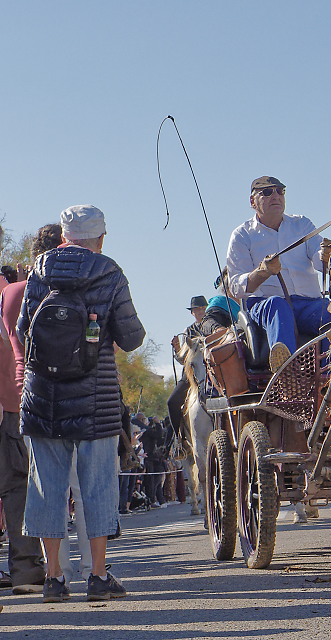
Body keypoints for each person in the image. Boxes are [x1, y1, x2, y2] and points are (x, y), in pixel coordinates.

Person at [19, 205, 145, 601]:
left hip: (43, 398)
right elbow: (131, 337)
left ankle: (54, 578)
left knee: (46, 488)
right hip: (96, 401)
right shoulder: (109, 273)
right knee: (97, 488)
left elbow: (24, 330)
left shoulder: (38, 272)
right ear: (101, 239)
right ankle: (99, 575)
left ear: (63, 237)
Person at [0, 224, 62, 595]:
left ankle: (26, 571)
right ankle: (25, 570)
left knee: (18, 488)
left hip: (13, 400)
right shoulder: (16, 292)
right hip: (11, 404)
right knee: (16, 488)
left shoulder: (10, 293)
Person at [226, 176, 331, 371]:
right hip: (265, 305)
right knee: (278, 305)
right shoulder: (242, 235)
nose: (275, 196)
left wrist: (326, 256)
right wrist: (262, 272)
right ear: (253, 201)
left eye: (280, 191)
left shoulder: (302, 225)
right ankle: (286, 374)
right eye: (267, 192)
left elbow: (320, 262)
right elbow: (235, 286)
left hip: (309, 304)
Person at [166, 296, 208, 440]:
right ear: (192, 313)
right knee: (172, 402)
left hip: (213, 371)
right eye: (197, 309)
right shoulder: (187, 331)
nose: (200, 311)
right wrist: (178, 349)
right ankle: (179, 439)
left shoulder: (215, 326)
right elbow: (183, 360)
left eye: (203, 308)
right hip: (192, 374)